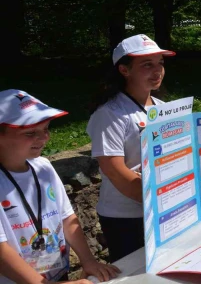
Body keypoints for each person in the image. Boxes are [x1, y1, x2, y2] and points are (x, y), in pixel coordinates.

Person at [1, 90, 120, 283]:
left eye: (46, 128)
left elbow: (66, 217)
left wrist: (88, 261)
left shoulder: (43, 167)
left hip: (56, 275)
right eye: (30, 133)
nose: (44, 138)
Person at [87, 34, 175, 263]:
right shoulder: (109, 114)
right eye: (147, 65)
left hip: (162, 209)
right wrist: (160, 202)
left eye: (160, 64)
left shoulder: (164, 108)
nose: (157, 71)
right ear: (124, 70)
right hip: (125, 218)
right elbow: (115, 171)